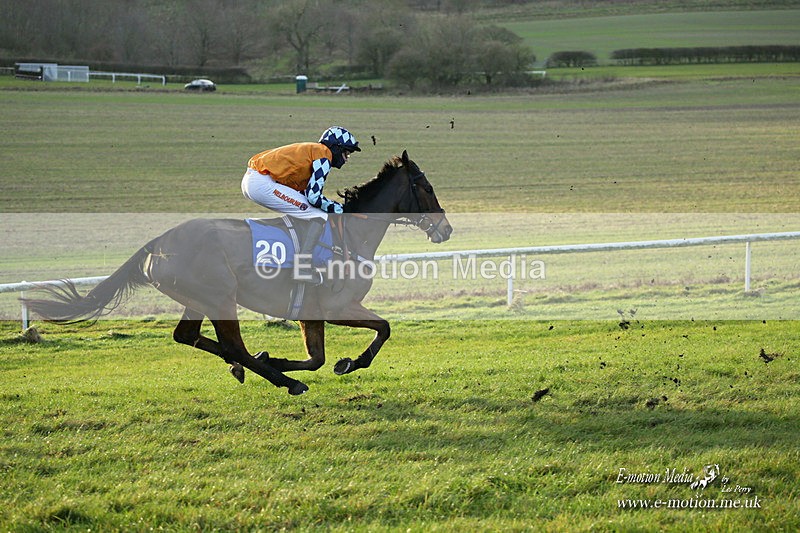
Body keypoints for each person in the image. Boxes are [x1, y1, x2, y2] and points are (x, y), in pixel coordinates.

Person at [241, 126, 361, 283]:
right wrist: (340, 209)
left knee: (307, 210)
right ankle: (302, 268)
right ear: (336, 148)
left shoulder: (314, 152)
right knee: (318, 215)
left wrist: (333, 206)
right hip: (261, 182)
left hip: (254, 180)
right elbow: (314, 197)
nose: (346, 159)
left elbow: (307, 194)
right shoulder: (324, 154)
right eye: (346, 153)